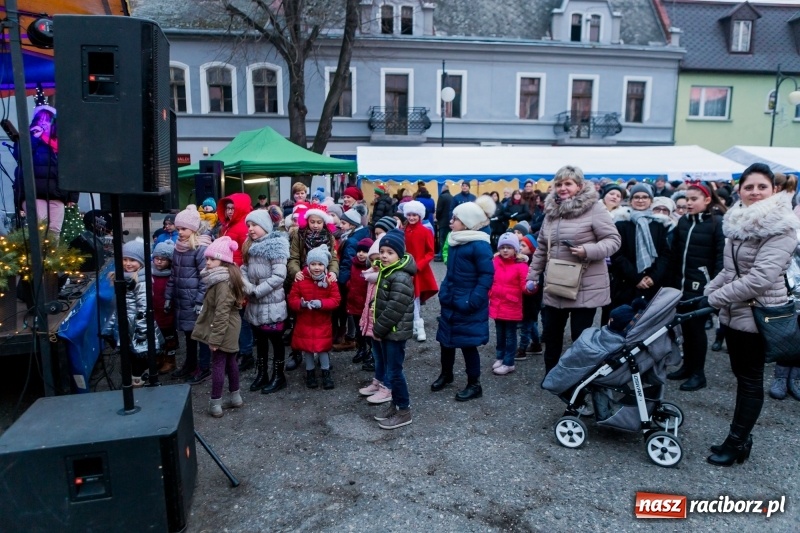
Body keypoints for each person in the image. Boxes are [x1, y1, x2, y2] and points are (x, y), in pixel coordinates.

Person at [704, 163, 799, 466]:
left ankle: (737, 442)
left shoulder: (781, 226)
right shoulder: (737, 224)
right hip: (735, 314)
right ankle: (739, 437)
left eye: (762, 187)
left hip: (759, 316)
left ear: (774, 190)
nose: (755, 192)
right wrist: (707, 293)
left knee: (749, 381)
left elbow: (760, 278)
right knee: (742, 377)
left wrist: (715, 299)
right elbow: (730, 272)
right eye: (749, 187)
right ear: (740, 191)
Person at [526, 165, 621, 374]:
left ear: (579, 186)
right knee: (551, 334)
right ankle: (552, 374)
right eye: (559, 184)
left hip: (585, 285)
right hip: (556, 283)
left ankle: (578, 379)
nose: (562, 188)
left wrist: (588, 250)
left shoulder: (594, 209)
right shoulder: (551, 212)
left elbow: (614, 240)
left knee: (580, 338)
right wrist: (532, 275)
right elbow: (542, 247)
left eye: (568, 183)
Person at [432, 196, 495, 401]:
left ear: (467, 222)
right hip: (451, 300)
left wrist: (473, 300)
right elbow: (450, 272)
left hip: (468, 303)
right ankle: (446, 374)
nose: (451, 222)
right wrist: (444, 292)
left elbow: (486, 276)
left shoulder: (479, 245)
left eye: (455, 219)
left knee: (468, 345)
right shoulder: (457, 240)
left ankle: (474, 384)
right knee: (445, 342)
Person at [666, 182, 725, 391]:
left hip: (702, 287)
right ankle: (687, 367)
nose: (689, 203)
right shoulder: (683, 222)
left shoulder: (716, 223)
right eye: (687, 199)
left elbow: (721, 258)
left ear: (707, 200)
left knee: (697, 330)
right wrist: (671, 283)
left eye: (694, 199)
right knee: (686, 329)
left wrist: (714, 287)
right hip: (681, 285)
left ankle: (698, 373)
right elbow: (675, 254)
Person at [192, 237, 246, 418]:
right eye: (207, 258)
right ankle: (235, 397)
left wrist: (215, 339)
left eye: (212, 259)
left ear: (223, 261)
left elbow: (222, 312)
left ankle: (215, 402)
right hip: (230, 326)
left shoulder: (222, 282)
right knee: (231, 361)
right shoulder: (223, 278)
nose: (207, 262)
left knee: (218, 364)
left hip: (225, 328)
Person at [369, 229, 417, 429]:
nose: (384, 256)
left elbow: (394, 308)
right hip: (388, 330)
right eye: (383, 251)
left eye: (390, 252)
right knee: (390, 370)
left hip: (394, 332)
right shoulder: (387, 271)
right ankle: (395, 404)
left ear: (399, 255)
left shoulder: (400, 276)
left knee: (395, 372)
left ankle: (404, 410)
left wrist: (378, 329)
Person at [240, 209, 290, 394]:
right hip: (255, 303)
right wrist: (247, 287)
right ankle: (262, 374)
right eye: (249, 226)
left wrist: (257, 291)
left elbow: (279, 276)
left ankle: (279, 376)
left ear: (266, 226)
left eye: (255, 225)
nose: (251, 229)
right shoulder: (250, 245)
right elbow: (243, 269)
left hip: (271, 303)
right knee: (260, 340)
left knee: (275, 341)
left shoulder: (275, 246)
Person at [13, 104, 79, 240]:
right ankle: (39, 260)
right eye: (40, 120)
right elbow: (19, 156)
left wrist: (72, 196)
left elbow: (71, 169)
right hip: (34, 193)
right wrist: (34, 138)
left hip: (57, 194)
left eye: (46, 120)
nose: (43, 124)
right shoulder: (28, 139)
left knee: (54, 231)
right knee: (40, 228)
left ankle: (50, 260)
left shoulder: (61, 143)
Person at [286, 207, 339, 369]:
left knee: (323, 319)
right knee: (300, 319)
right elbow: (293, 257)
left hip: (323, 278)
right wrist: (296, 272)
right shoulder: (299, 235)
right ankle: (297, 353)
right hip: (304, 278)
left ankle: (323, 353)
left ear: (325, 223)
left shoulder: (329, 237)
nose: (315, 225)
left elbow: (334, 258)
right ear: (307, 221)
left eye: (319, 222)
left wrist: (333, 272)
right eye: (312, 222)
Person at [167, 205, 213, 384]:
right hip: (182, 299)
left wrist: (200, 299)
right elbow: (173, 274)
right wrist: (169, 295)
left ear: (193, 229)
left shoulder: (200, 248)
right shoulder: (178, 248)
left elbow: (205, 276)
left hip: (194, 300)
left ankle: (204, 367)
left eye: (183, 229)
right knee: (188, 334)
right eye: (178, 229)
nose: (180, 232)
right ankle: (190, 363)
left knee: (200, 334)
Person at [609, 183, 671, 311]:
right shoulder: (621, 225)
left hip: (652, 283)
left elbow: (665, 254)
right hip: (626, 283)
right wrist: (636, 278)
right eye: (636, 197)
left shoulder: (659, 225)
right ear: (630, 201)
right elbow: (617, 254)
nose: (640, 200)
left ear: (651, 201)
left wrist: (654, 277)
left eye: (645, 197)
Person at [287, 246, 342, 390]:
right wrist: (301, 303)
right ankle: (310, 372)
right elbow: (292, 298)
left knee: (323, 349)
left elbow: (336, 299)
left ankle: (326, 372)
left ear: (325, 265)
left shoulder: (330, 280)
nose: (316, 267)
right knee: (308, 350)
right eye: (313, 264)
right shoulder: (300, 280)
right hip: (305, 321)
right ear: (308, 264)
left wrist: (322, 303)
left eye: (320, 264)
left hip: (322, 322)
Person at [112, 238, 165, 387]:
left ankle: (138, 381)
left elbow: (143, 308)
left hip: (137, 326)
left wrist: (142, 331)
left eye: (132, 260)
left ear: (141, 262)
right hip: (127, 323)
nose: (127, 263)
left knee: (138, 356)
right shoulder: (124, 277)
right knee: (129, 355)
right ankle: (135, 378)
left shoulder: (140, 281)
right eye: (125, 259)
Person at [769, 172, 800, 400]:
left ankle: (796, 377)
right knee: (789, 331)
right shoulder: (793, 214)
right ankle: (781, 376)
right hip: (793, 281)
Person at [217, 192, 255, 371]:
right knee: (234, 316)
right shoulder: (226, 226)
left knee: (241, 317)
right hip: (228, 276)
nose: (229, 211)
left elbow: (245, 256)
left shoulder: (243, 227)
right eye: (227, 208)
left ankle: (246, 353)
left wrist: (239, 277)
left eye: (233, 208)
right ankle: (240, 350)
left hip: (238, 278)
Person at [489, 233, 528, 375]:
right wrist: (489, 293)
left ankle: (509, 362)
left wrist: (531, 286)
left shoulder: (521, 266)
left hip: (511, 306)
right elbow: (490, 280)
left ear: (515, 250)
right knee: (499, 334)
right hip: (497, 304)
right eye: (503, 247)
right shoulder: (494, 262)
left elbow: (525, 287)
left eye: (509, 247)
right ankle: (500, 357)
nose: (505, 250)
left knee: (510, 335)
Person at [401, 200, 438, 342]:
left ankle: (418, 324)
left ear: (420, 216)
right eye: (409, 215)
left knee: (415, 296)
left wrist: (418, 265)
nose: (411, 218)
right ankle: (414, 324)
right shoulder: (403, 230)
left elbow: (430, 252)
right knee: (409, 296)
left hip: (418, 269)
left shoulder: (425, 231)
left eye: (414, 215)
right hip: (405, 266)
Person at [334, 209, 370, 350]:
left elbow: (347, 263)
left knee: (349, 311)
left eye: (343, 223)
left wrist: (342, 282)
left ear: (352, 225)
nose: (340, 225)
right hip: (353, 281)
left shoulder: (351, 240)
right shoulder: (358, 234)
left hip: (349, 281)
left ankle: (351, 338)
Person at [358, 236, 388, 398]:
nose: (375, 264)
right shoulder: (370, 277)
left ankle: (387, 385)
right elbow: (367, 303)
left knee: (387, 356)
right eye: (373, 260)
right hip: (372, 324)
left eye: (379, 260)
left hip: (383, 325)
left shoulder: (388, 278)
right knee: (377, 355)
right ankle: (379, 379)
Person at [152, 240, 178, 375]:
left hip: (167, 313)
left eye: (163, 259)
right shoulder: (149, 273)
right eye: (157, 258)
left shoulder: (171, 276)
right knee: (156, 338)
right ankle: (158, 357)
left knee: (169, 338)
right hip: (154, 312)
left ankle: (170, 359)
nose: (159, 262)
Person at [347, 237, 374, 365]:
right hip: (355, 302)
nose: (361, 254)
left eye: (365, 251)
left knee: (368, 329)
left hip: (366, 304)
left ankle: (372, 350)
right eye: (359, 251)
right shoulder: (354, 263)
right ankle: (361, 348)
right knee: (359, 329)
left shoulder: (371, 268)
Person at [518, 233, 543, 357]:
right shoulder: (520, 261)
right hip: (526, 299)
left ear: (531, 248)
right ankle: (536, 344)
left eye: (523, 245)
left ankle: (522, 349)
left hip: (532, 299)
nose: (520, 248)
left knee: (526, 325)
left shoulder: (535, 264)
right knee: (532, 323)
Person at [434, 184, 453, 261]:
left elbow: (439, 210)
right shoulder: (452, 197)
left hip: (443, 221)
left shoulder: (442, 197)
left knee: (442, 239)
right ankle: (448, 254)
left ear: (443, 189)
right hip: (450, 221)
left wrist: (438, 218)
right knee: (448, 239)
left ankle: (441, 256)